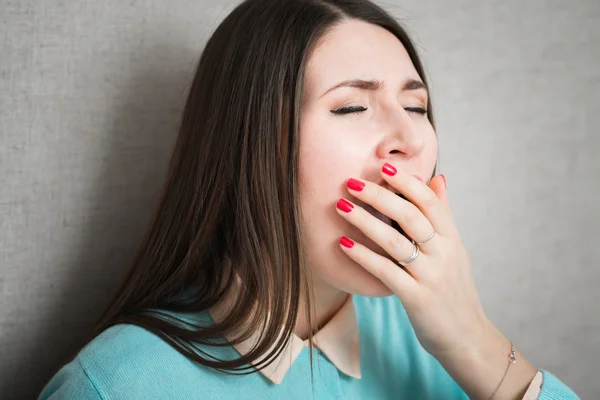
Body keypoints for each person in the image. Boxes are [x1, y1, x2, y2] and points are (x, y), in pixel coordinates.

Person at [38, 0, 580, 399]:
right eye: (351, 108)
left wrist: (474, 342)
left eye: (416, 108)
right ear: (252, 146)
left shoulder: (426, 330)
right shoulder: (117, 385)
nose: (411, 140)